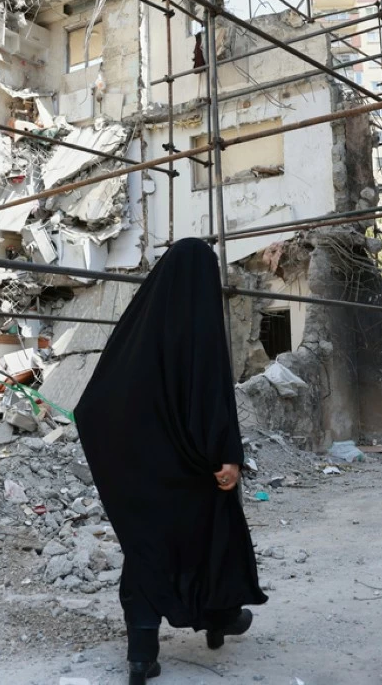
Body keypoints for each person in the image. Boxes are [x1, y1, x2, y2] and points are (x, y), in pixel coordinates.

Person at [75, 238, 267, 684]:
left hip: (142, 471)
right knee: (213, 531)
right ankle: (220, 615)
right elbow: (210, 393)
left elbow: (94, 404)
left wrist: (125, 458)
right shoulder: (199, 322)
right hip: (193, 467)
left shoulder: (138, 328)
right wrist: (226, 455)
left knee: (147, 549)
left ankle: (142, 653)